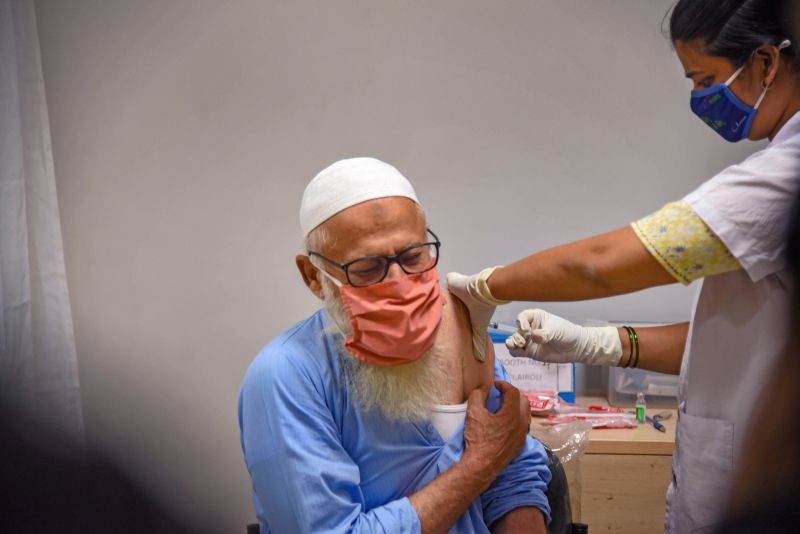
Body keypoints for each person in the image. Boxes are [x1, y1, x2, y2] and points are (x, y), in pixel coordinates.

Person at [447, 1, 800, 532]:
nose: (700, 99)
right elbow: (747, 341)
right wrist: (603, 345)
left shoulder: (784, 177)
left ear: (767, 62)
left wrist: (488, 286)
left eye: (706, 79)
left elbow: (599, 266)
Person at [238, 157, 551, 533]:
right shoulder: (286, 376)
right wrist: (478, 463)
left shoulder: (465, 329)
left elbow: (515, 476)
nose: (400, 282)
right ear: (313, 277)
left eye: (412, 256)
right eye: (368, 268)